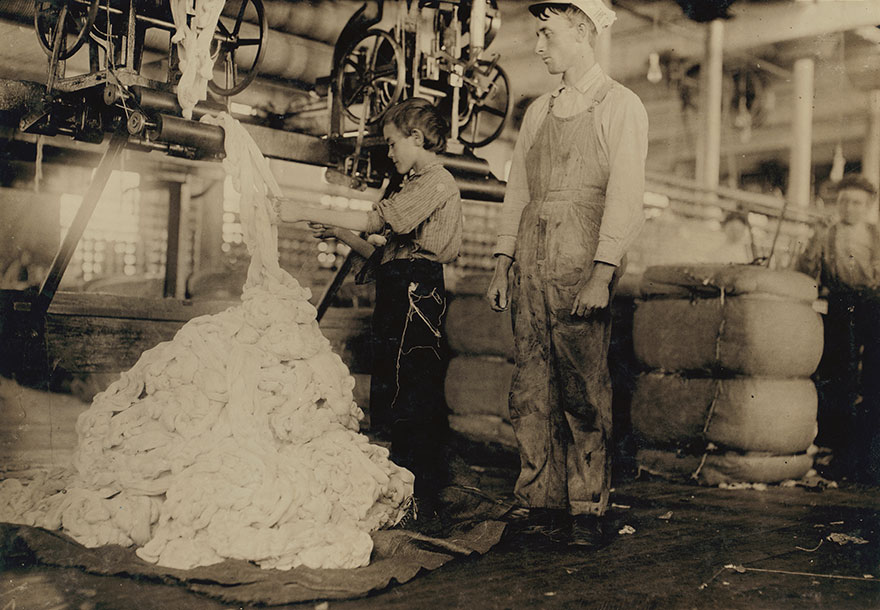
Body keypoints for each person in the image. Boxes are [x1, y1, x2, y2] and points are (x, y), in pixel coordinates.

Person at [485, 0, 648, 546]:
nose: (537, 46)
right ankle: (540, 502)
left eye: (546, 34)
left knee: (582, 387)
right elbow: (518, 193)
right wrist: (502, 259)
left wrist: (602, 272)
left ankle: (585, 508)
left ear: (581, 33)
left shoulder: (620, 105)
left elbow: (625, 196)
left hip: (580, 257)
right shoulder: (535, 111)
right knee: (531, 383)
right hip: (531, 256)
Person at [277, 97, 463, 513]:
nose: (390, 153)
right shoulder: (414, 186)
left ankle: (423, 492)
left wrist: (302, 210)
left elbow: (379, 223)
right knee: (396, 389)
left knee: (413, 389)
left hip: (418, 294)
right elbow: (384, 257)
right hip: (400, 290)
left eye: (394, 144)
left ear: (417, 138)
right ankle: (405, 482)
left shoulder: (436, 182)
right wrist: (337, 232)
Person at [796, 173, 880, 483]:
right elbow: (806, 271)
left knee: (874, 381)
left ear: (869, 206)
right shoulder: (825, 235)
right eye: (844, 201)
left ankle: (870, 461)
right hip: (840, 308)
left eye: (857, 203)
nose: (850, 208)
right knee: (837, 380)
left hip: (874, 305)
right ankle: (839, 456)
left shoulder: (876, 235)